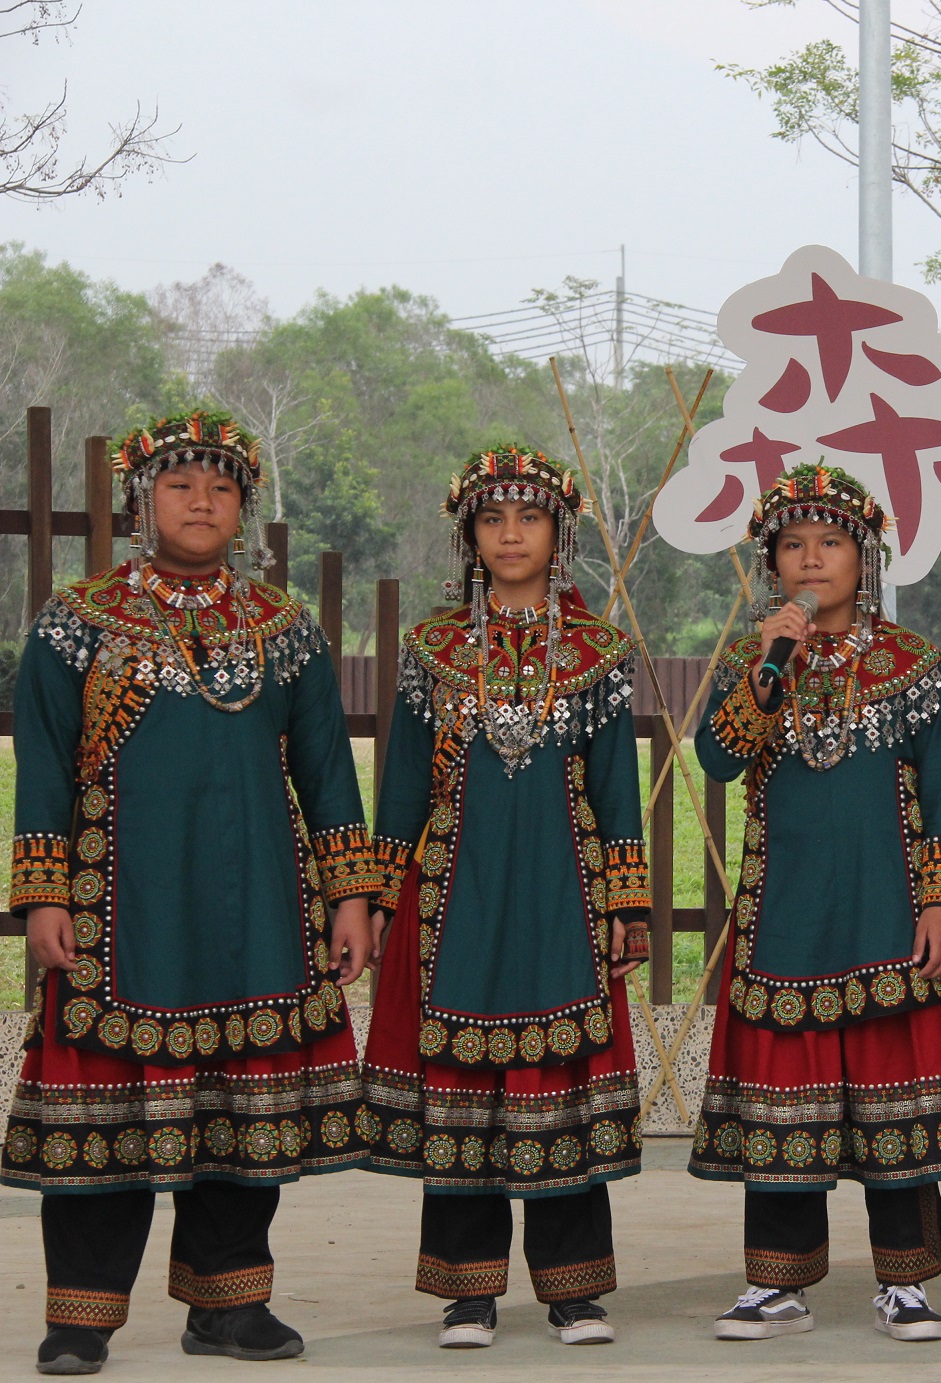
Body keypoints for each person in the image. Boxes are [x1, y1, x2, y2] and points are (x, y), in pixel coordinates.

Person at [3, 412, 377, 1374]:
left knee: (243, 1111)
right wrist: (43, 893)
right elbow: (42, 765)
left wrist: (349, 896)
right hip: (119, 909)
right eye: (179, 485)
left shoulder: (285, 629)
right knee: (105, 1108)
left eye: (221, 487)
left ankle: (228, 1307)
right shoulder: (76, 622)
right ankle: (80, 1319)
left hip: (258, 910)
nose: (201, 502)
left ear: (244, 508)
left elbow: (327, 772)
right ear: (142, 502)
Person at [690, 463, 941, 1344]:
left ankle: (906, 1281)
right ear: (772, 562)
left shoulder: (910, 663)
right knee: (785, 1093)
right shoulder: (751, 659)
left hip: (886, 906)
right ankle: (775, 1283)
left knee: (897, 1095)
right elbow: (717, 758)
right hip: (785, 910)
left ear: (866, 558)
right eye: (793, 545)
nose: (811, 559)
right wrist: (769, 667)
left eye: (830, 543)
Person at [361, 445, 649, 1350]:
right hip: (457, 892)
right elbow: (404, 781)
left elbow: (617, 785)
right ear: (470, 536)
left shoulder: (599, 650)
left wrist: (628, 902)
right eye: (492, 519)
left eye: (529, 518)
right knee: (462, 1075)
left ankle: (575, 1291)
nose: (511, 534)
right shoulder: (432, 648)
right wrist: (378, 894)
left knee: (562, 1071)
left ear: (559, 535)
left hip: (564, 887)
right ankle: (467, 1292)